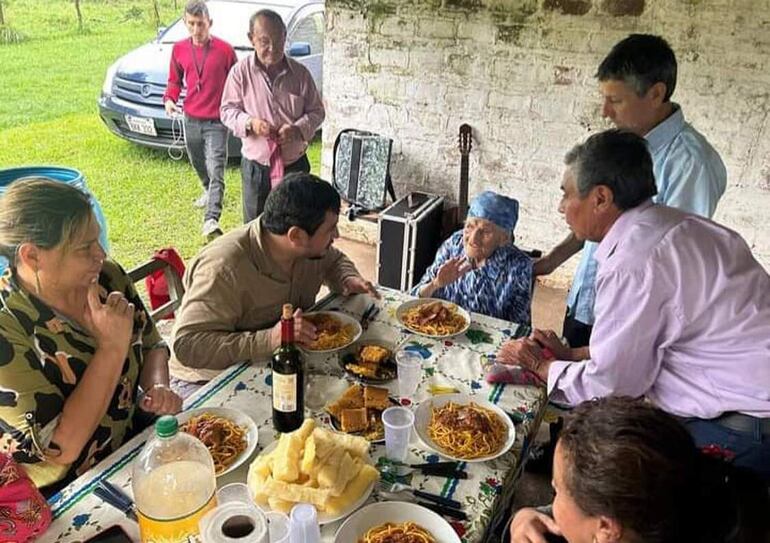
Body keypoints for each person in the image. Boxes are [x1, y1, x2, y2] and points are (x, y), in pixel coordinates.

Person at [498, 130, 770, 479]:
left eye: (566, 194)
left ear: (600, 198)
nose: (561, 207)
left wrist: (540, 365)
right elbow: (644, 343)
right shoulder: (672, 225)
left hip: (741, 423)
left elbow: (614, 386)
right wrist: (573, 355)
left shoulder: (634, 261)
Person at [534, 34, 727, 348]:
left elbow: (672, 269)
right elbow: (595, 218)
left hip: (629, 321)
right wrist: (551, 261)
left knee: (605, 391)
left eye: (616, 100)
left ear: (655, 94)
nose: (605, 112)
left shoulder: (690, 166)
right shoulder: (622, 143)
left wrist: (599, 353)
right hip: (589, 296)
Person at [0, 179, 181, 492]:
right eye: (84, 248)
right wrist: (110, 347)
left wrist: (158, 387)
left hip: (134, 448)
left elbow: (151, 344)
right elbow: (57, 450)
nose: (101, 254)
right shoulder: (8, 328)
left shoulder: (106, 276)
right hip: (68, 492)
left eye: (97, 240)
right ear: (32, 256)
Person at [168, 173, 377, 397]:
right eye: (330, 229)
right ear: (296, 236)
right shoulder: (223, 268)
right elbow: (188, 345)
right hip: (208, 381)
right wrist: (271, 338)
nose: (336, 235)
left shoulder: (307, 248)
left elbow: (334, 261)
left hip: (278, 362)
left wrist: (346, 278)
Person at [509, 397, 769, 543]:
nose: (551, 501)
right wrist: (523, 518)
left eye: (556, 489)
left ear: (606, 529)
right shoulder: (689, 495)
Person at [220, 9, 325, 223]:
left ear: (286, 37)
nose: (273, 48)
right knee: (255, 227)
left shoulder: (300, 73)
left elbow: (317, 111)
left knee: (296, 224)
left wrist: (297, 129)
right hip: (256, 167)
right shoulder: (240, 73)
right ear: (251, 39)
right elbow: (227, 111)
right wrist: (250, 123)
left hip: (294, 165)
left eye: (278, 40)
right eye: (264, 41)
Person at [163, 0, 237, 240]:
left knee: (217, 168)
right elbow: (174, 80)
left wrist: (235, 111)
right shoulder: (179, 49)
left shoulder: (225, 51)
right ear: (186, 23)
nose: (196, 29)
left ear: (210, 23)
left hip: (217, 121)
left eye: (201, 24)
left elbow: (238, 82)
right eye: (192, 24)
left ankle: (211, 218)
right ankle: (207, 189)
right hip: (191, 117)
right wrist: (169, 100)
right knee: (197, 161)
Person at [410, 191, 532, 324]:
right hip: (440, 332)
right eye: (469, 226)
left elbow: (520, 330)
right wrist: (435, 284)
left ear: (504, 239)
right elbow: (413, 300)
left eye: (485, 232)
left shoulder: (519, 266)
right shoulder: (454, 244)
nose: (473, 239)